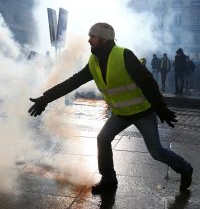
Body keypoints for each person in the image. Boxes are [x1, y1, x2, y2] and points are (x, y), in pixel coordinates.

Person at [28, 22, 193, 194]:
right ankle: (109, 179)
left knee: (156, 152)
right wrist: (46, 98)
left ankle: (185, 169)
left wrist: (161, 109)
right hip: (121, 113)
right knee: (102, 139)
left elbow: (148, 82)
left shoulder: (124, 55)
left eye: (93, 37)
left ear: (104, 40)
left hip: (142, 112)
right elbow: (73, 82)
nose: (89, 40)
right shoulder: (94, 61)